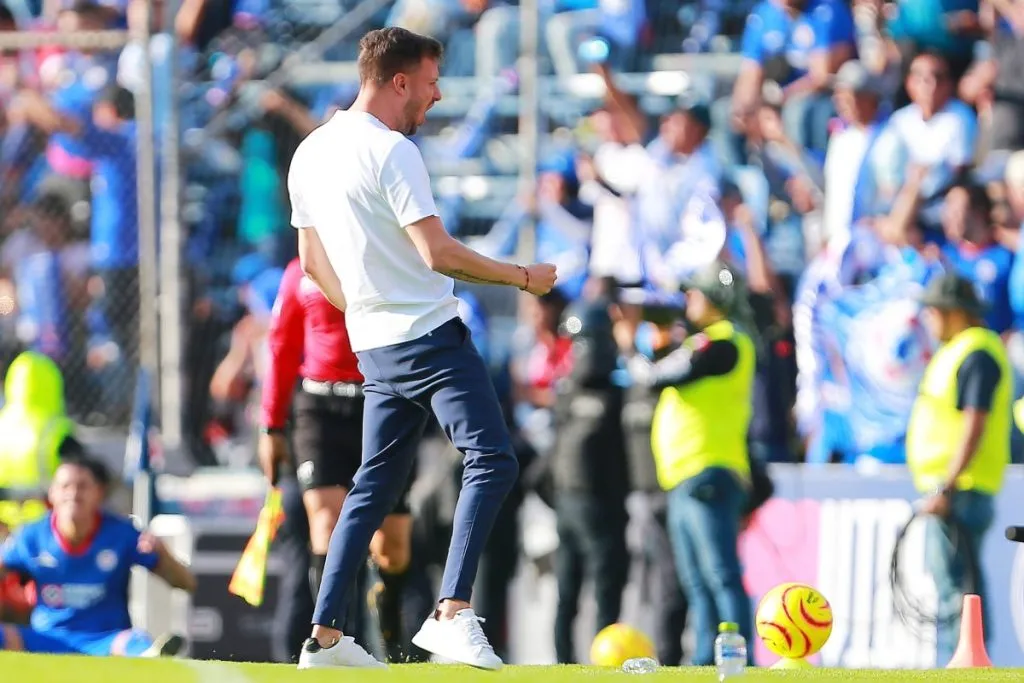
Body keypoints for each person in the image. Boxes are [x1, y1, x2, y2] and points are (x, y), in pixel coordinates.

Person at [285, 27, 557, 670]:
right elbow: (437, 253)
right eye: (431, 83)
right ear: (399, 81)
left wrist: (365, 311)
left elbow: (309, 261)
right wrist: (523, 277)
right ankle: (452, 613)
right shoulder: (392, 150)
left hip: (374, 345)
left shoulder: (310, 151)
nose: (436, 97)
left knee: (372, 488)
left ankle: (323, 640)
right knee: (493, 460)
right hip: (430, 335)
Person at [259, 257, 414, 662]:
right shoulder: (300, 272)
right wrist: (271, 426)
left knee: (391, 548)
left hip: (381, 404)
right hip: (320, 410)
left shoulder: (381, 254)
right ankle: (337, 643)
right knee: (326, 526)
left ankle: (391, 648)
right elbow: (282, 346)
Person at [625, 260, 756, 665]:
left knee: (719, 575)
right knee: (697, 581)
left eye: (695, 293)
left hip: (707, 470)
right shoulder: (706, 341)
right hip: (686, 475)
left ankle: (737, 661)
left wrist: (629, 345)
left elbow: (655, 376)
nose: (688, 300)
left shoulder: (724, 342)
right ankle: (704, 662)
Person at [906, 273, 1011, 666]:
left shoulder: (975, 353)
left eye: (934, 310)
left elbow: (975, 422)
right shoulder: (965, 350)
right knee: (960, 587)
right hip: (956, 486)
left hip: (959, 489)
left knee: (958, 590)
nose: (928, 318)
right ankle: (967, 663)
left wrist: (946, 487)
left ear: (954, 313)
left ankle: (965, 665)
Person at [0, 457, 196, 656]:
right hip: (45, 638)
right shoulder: (30, 536)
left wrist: (162, 554)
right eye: (65, 486)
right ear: (52, 493)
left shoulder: (121, 534)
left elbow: (186, 583)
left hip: (105, 641)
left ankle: (150, 656)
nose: (73, 494)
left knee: (137, 641)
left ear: (99, 493)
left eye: (82, 486)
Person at [550, 293, 630, 663]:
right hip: (597, 504)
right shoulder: (616, 396)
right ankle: (599, 661)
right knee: (599, 591)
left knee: (571, 593)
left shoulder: (568, 394)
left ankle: (569, 662)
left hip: (569, 502)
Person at [0, 351, 86, 532]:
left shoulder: (2, 426)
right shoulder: (57, 430)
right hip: (48, 530)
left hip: (5, 528)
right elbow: (82, 478)